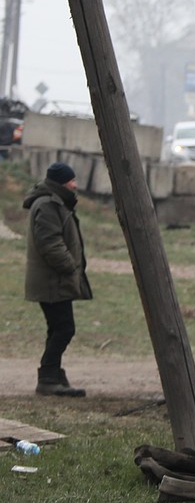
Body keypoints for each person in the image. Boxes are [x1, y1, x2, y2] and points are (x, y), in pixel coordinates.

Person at [24, 161, 91, 397]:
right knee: (64, 328)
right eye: (71, 181)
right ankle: (48, 377)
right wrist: (70, 266)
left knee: (58, 328)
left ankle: (54, 375)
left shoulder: (57, 203)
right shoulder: (48, 204)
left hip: (55, 280)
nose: (75, 185)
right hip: (52, 281)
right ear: (62, 183)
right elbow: (50, 243)